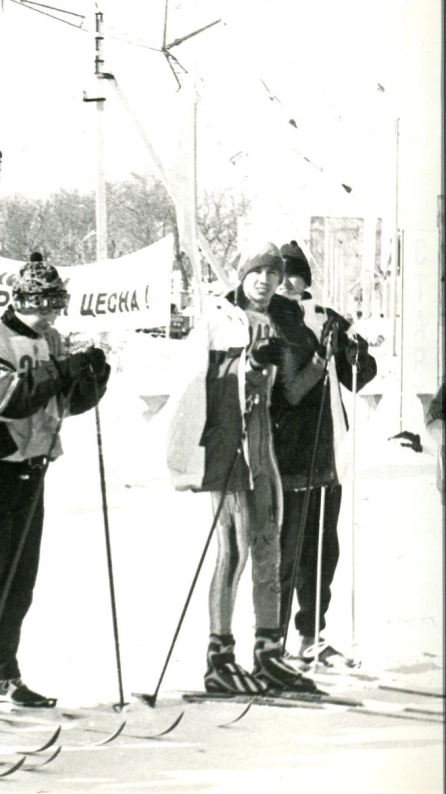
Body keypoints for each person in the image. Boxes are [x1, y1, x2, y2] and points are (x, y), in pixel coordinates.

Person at [0, 253, 109, 711]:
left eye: (56, 303)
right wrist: (59, 372)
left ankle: (0, 671)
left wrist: (90, 381)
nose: (49, 312)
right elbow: (8, 398)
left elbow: (59, 403)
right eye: (40, 303)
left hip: (31, 467)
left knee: (19, 580)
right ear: (19, 300)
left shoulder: (50, 338)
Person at [167, 242, 324, 694]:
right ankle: (219, 656)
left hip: (263, 448)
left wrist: (319, 359)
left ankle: (268, 653)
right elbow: (198, 384)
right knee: (233, 550)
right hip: (229, 445)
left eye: (273, 275)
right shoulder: (219, 320)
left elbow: (290, 392)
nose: (265, 281)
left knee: (268, 547)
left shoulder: (275, 321)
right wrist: (246, 364)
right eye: (257, 272)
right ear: (241, 274)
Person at [273, 240, 377, 664]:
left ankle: (311, 633)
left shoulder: (324, 317)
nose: (288, 282)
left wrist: (356, 353)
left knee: (322, 548)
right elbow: (287, 388)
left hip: (328, 447)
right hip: (290, 446)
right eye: (280, 274)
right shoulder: (271, 319)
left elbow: (359, 376)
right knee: (288, 546)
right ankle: (271, 638)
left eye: (295, 274)